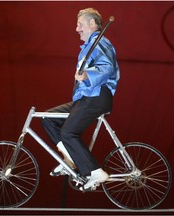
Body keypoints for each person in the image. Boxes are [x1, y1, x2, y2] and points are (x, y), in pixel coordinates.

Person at [41, 8, 120, 191]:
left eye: (80, 24)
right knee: (47, 118)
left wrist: (87, 75)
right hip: (86, 98)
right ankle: (70, 158)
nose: (77, 29)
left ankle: (95, 171)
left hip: (97, 97)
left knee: (68, 133)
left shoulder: (100, 41)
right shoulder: (89, 46)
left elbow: (107, 67)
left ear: (92, 24)